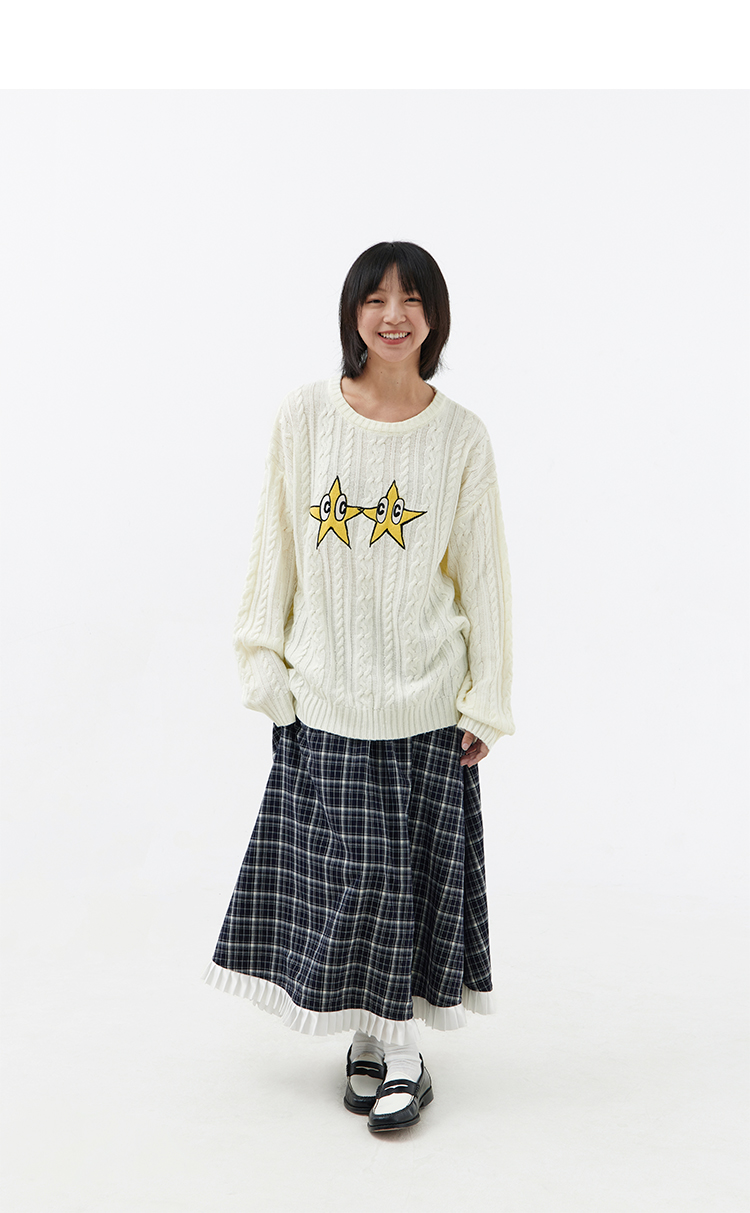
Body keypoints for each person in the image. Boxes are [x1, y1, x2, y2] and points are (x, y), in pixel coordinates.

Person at [203, 240, 515, 1133]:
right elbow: (274, 540)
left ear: (433, 318)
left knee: (406, 882)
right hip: (326, 698)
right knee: (357, 880)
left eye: (411, 299)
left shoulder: (461, 437)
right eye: (375, 298)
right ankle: (375, 1036)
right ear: (352, 314)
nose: (393, 314)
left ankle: (396, 1050)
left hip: (425, 700)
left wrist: (487, 696)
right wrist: (262, 662)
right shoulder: (304, 417)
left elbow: (485, 574)